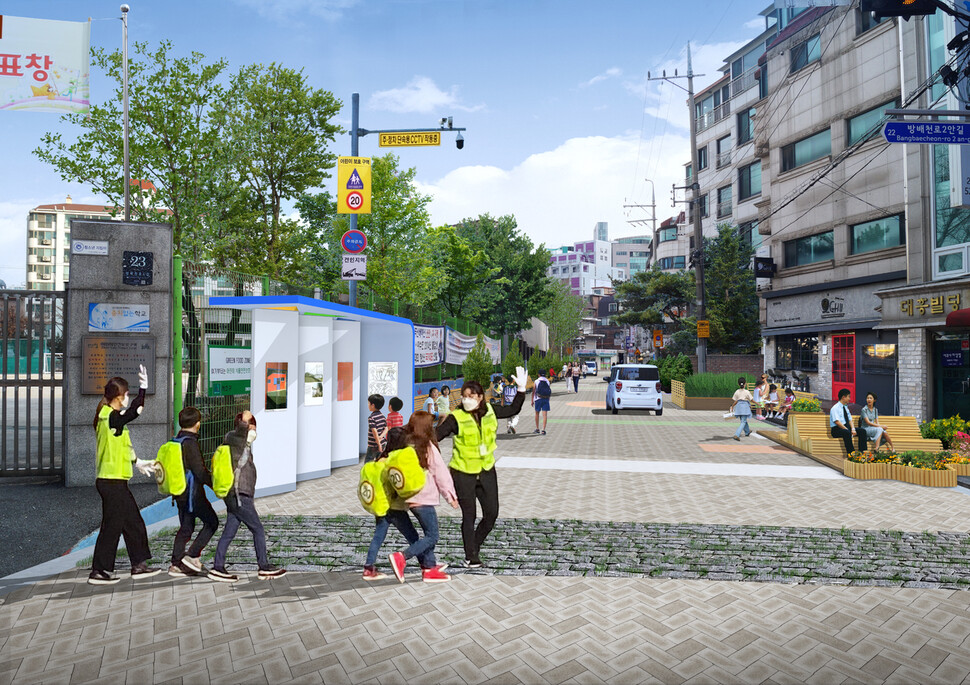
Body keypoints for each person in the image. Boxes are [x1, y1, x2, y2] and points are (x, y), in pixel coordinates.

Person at [436, 367, 528, 568]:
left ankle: (473, 546)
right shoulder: (456, 417)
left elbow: (513, 410)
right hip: (463, 473)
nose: (466, 399)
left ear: (480, 397)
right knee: (469, 516)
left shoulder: (491, 411)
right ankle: (471, 556)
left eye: (470, 396)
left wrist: (521, 390)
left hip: (486, 470)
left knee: (491, 514)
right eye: (463, 396)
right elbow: (437, 436)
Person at [88, 365, 161, 585]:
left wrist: (138, 462)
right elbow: (133, 413)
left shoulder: (113, 418)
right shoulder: (107, 416)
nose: (128, 398)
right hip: (111, 481)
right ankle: (99, 570)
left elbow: (120, 446)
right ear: (119, 397)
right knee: (112, 526)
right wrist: (143, 390)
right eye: (127, 394)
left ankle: (139, 565)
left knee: (133, 523)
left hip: (117, 480)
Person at [209, 411, 286, 582]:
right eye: (254, 426)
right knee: (257, 529)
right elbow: (241, 428)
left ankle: (218, 567)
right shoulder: (237, 439)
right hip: (239, 494)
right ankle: (264, 566)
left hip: (234, 495)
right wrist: (246, 419)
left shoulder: (238, 443)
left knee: (229, 532)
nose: (255, 429)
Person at [388, 411, 459, 584]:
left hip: (408, 497)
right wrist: (451, 496)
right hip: (424, 498)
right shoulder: (427, 447)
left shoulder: (405, 444)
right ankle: (401, 557)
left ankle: (429, 567)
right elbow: (440, 473)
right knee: (432, 536)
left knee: (426, 535)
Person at [169, 406, 220, 578]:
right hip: (193, 494)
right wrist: (216, 484)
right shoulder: (190, 443)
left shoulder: (176, 441)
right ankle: (192, 556)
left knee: (186, 527)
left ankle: (176, 564)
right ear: (198, 424)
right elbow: (199, 471)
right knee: (212, 521)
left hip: (179, 491)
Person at [362, 427, 410, 581]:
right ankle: (427, 566)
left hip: (379, 506)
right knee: (413, 537)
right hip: (393, 507)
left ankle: (369, 568)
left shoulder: (378, 459)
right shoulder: (393, 462)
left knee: (378, 536)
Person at [830, 388, 858, 455]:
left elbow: (850, 419)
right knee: (847, 432)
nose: (849, 399)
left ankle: (863, 452)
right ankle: (851, 454)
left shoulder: (845, 407)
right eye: (849, 397)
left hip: (846, 428)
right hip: (836, 430)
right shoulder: (835, 408)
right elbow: (837, 422)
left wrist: (853, 429)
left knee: (862, 431)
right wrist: (847, 429)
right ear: (843, 397)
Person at [729, 376, 754, 441]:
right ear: (745, 384)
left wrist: (732, 406)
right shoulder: (747, 392)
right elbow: (751, 399)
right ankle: (737, 434)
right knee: (743, 421)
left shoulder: (737, 391)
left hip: (738, 408)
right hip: (745, 407)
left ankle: (747, 431)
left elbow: (736, 400)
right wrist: (757, 403)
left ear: (738, 384)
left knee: (743, 420)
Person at [366, 394, 387, 462]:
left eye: (369, 403)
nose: (368, 405)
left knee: (368, 462)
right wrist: (381, 437)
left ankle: (368, 473)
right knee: (379, 461)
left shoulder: (371, 418)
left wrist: (378, 444)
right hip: (382, 442)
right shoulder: (382, 416)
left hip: (373, 445)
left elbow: (374, 432)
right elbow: (386, 428)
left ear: (373, 405)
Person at [532, 370, 552, 435]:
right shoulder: (547, 381)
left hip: (538, 399)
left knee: (537, 413)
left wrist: (532, 400)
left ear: (539, 374)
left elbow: (534, 391)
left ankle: (537, 428)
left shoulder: (536, 381)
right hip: (546, 399)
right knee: (545, 415)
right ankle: (543, 430)